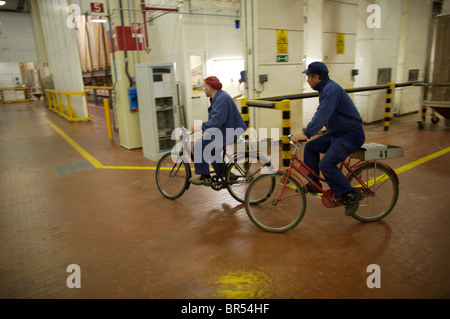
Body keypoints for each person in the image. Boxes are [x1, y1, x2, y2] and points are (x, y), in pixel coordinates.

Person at [291, 62, 365, 216]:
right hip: (337, 134)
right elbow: (322, 113)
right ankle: (314, 183)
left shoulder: (330, 90)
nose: (307, 81)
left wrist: (307, 133)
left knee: (326, 165)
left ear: (316, 77)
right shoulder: (326, 88)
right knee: (311, 148)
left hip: (350, 135)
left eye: (308, 77)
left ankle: (351, 195)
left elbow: (323, 114)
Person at [189, 76, 247, 186]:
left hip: (229, 132)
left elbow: (217, 121)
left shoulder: (221, 98)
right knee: (211, 149)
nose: (203, 89)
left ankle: (205, 177)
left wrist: (201, 127)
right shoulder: (219, 96)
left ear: (209, 87)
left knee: (198, 146)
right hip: (226, 130)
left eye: (204, 87)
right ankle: (226, 174)